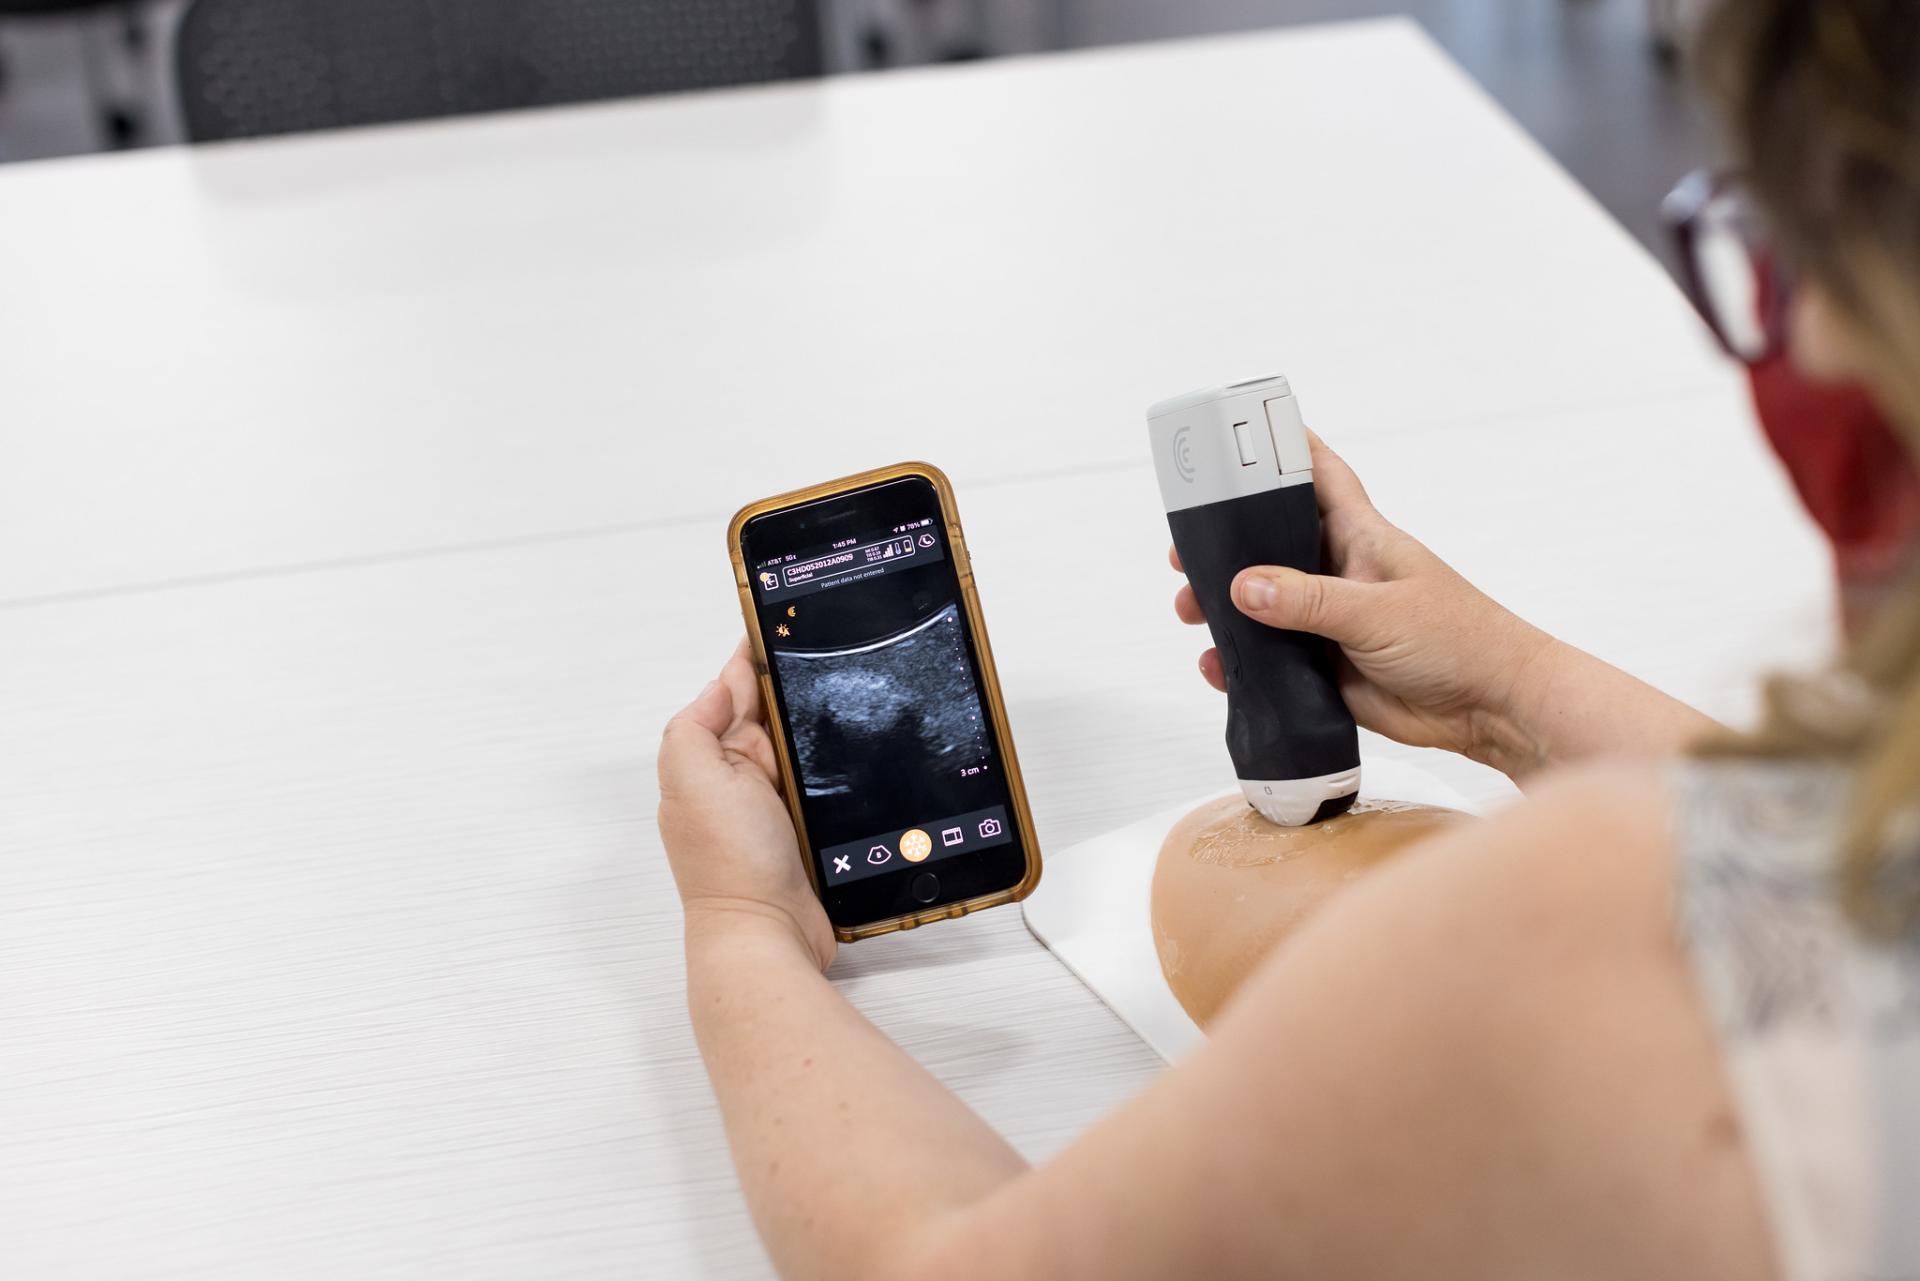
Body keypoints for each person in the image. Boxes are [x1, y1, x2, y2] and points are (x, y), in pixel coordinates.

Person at [656, 3, 1920, 1277]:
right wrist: (1507, 697)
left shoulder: (1617, 933)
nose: (1790, 326)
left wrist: (739, 925)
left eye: (1784, 237)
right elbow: (1834, 837)